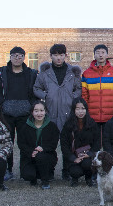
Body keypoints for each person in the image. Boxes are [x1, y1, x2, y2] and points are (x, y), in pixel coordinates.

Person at [33, 43, 82, 180]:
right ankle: (49, 170)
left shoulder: (72, 72)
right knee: (50, 144)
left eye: (61, 55)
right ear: (51, 56)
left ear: (65, 55)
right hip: (50, 113)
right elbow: (36, 88)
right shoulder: (45, 73)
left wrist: (72, 98)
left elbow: (79, 88)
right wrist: (46, 96)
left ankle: (67, 170)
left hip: (68, 113)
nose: (58, 58)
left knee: (67, 144)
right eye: (55, 55)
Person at [0, 46, 39, 181]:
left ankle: (26, 169)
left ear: (24, 57)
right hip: (7, 115)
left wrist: (32, 106)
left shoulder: (31, 73)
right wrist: (2, 104)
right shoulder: (2, 73)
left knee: (25, 143)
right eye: (14, 55)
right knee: (7, 142)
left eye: (20, 56)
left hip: (25, 114)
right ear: (10, 57)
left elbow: (37, 90)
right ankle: (7, 169)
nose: (17, 58)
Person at [81, 44, 113, 138]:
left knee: (109, 141)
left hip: (110, 115)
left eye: (103, 52)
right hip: (92, 116)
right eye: (98, 53)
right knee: (94, 142)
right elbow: (84, 95)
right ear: (94, 55)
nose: (100, 55)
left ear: (107, 55)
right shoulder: (86, 73)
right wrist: (86, 111)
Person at [16, 101, 60, 189]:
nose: (39, 113)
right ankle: (34, 176)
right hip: (29, 157)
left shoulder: (52, 126)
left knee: (41, 157)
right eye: (36, 111)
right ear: (32, 112)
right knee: (28, 175)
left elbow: (53, 144)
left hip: (46, 156)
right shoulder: (25, 127)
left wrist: (42, 148)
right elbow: (21, 144)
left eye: (41, 110)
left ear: (45, 111)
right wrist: (31, 151)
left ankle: (45, 180)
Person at [59, 98, 101, 186]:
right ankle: (74, 179)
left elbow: (97, 141)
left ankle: (89, 178)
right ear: (73, 110)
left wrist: (90, 153)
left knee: (87, 164)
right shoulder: (68, 125)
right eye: (77, 109)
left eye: (83, 108)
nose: (80, 111)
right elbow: (64, 145)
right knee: (75, 171)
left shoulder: (92, 123)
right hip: (74, 156)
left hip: (87, 155)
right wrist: (73, 158)